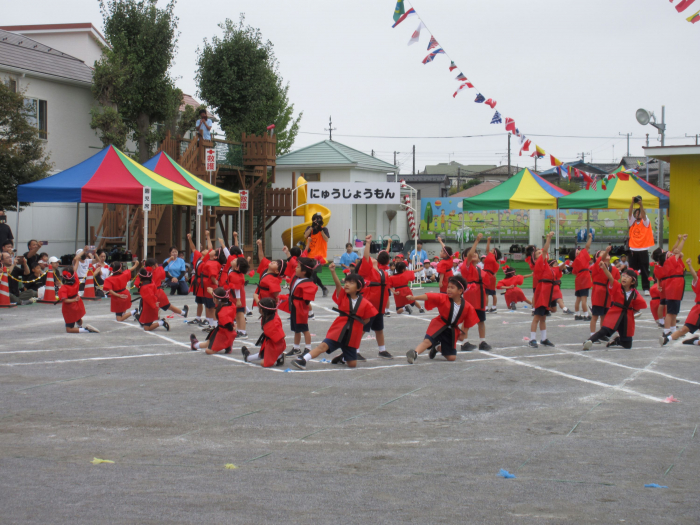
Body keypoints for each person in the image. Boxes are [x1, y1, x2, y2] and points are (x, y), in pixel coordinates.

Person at [292, 265, 377, 369]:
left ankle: (342, 358)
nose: (347, 285)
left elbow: (367, 319)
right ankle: (303, 360)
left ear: (359, 288)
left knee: (352, 365)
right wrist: (333, 272)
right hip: (339, 330)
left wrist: (356, 327)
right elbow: (337, 284)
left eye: (351, 283)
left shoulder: (365, 303)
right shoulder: (342, 296)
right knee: (322, 346)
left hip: (352, 335)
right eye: (346, 282)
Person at [405, 275, 479, 363]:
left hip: (451, 330)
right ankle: (414, 354)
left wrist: (463, 333)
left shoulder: (467, 306)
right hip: (439, 324)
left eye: (452, 288)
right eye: (448, 287)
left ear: (460, 291)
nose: (449, 289)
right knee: (427, 341)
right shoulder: (444, 298)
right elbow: (430, 296)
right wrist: (414, 298)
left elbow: (468, 320)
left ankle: (436, 348)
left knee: (451, 358)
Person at [583, 266, 647, 350]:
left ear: (633, 282)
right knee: (605, 330)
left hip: (627, 318)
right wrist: (605, 269)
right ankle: (589, 341)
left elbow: (638, 306)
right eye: (623, 276)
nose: (624, 278)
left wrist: (631, 313)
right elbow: (610, 278)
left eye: (628, 277)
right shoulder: (617, 286)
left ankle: (617, 341)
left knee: (628, 345)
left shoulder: (635, 293)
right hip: (615, 313)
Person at [356, 235, 395, 359]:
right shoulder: (367, 271)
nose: (371, 258)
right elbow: (366, 257)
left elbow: (386, 254)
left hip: (379, 307)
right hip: (369, 305)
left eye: (374, 257)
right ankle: (354, 350)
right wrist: (368, 243)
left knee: (379, 329)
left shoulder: (383, 272)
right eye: (370, 258)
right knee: (362, 329)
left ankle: (382, 350)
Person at [278, 257, 318, 357]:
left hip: (300, 308)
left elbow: (307, 299)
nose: (296, 268)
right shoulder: (296, 278)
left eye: (298, 267)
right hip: (294, 306)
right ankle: (296, 348)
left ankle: (308, 348)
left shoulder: (308, 283)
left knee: (304, 328)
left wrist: (302, 307)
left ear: (304, 272)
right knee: (296, 328)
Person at [459, 234, 491, 351]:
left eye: (476, 255)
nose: (474, 255)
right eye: (473, 254)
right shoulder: (466, 267)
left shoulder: (480, 269)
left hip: (480, 297)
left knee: (481, 320)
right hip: (471, 296)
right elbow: (470, 255)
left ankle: (482, 341)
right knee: (467, 320)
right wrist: (476, 241)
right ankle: (464, 342)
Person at [661, 256, 700, 346]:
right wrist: (689, 265)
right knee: (685, 329)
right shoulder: (698, 279)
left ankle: (694, 341)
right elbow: (695, 277)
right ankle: (667, 339)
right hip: (698, 310)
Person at [529, 232, 556, 348]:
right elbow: (545, 251)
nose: (541, 253)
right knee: (537, 317)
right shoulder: (540, 263)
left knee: (543, 317)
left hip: (547, 292)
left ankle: (544, 339)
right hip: (543, 291)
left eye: (541, 252)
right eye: (538, 253)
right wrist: (548, 239)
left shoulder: (547, 265)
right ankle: (532, 339)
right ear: (535, 259)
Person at [57, 257, 99, 334]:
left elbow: (65, 300)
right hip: (78, 303)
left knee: (69, 329)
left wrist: (73, 300)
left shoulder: (63, 288)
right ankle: (80, 326)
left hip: (70, 307)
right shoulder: (76, 282)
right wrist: (77, 260)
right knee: (78, 319)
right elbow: (75, 269)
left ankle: (86, 330)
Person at [241, 297, 286, 367]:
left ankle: (279, 356)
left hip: (275, 345)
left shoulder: (273, 323)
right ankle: (248, 357)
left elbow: (281, 337)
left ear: (262, 310)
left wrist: (274, 351)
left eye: (259, 308)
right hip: (269, 342)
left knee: (263, 363)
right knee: (262, 355)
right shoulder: (268, 316)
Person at [190, 287, 236, 354]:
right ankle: (195, 345)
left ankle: (227, 345)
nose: (212, 298)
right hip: (222, 331)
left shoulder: (223, 311)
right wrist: (212, 292)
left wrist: (233, 328)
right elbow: (218, 300)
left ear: (218, 300)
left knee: (208, 351)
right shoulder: (229, 304)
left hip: (223, 332)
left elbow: (227, 324)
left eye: (214, 297)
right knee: (208, 343)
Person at [660, 234, 688, 342]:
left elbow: (677, 251)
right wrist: (683, 240)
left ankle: (673, 330)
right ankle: (667, 331)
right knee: (670, 311)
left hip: (677, 286)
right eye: (671, 253)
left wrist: (678, 240)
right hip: (674, 286)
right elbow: (677, 250)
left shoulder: (676, 261)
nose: (673, 252)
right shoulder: (670, 261)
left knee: (674, 311)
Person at [627, 196, 654, 295]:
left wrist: (641, 205)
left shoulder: (646, 222)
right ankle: (632, 287)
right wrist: (631, 203)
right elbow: (630, 213)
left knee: (644, 269)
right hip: (633, 249)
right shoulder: (632, 222)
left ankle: (646, 288)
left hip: (643, 249)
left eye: (639, 213)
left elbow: (644, 214)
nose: (638, 214)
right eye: (636, 213)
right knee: (632, 270)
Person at [134, 267, 170, 332]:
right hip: (148, 305)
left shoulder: (145, 287)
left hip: (150, 307)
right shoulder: (151, 282)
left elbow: (149, 297)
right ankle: (142, 320)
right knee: (144, 321)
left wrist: (154, 304)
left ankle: (161, 322)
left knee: (146, 328)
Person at [304, 212, 330, 296]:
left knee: (313, 273)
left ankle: (311, 290)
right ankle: (323, 288)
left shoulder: (324, 229)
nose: (317, 221)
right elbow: (305, 236)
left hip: (319, 256)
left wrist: (320, 229)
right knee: (311, 274)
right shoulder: (309, 228)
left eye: (318, 219)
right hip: (309, 255)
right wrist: (311, 227)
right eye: (315, 219)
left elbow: (326, 239)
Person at [252, 239, 284, 305]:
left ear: (277, 271)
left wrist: (256, 298)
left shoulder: (274, 279)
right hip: (262, 298)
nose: (273, 262)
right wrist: (260, 246)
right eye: (275, 261)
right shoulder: (267, 267)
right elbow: (261, 257)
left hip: (269, 303)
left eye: (276, 264)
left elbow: (276, 295)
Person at [225, 256, 249, 339]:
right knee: (238, 315)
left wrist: (238, 300)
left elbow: (237, 288)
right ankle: (240, 330)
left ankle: (242, 332)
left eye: (235, 260)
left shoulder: (235, 275)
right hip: (236, 296)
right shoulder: (236, 272)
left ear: (236, 267)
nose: (233, 259)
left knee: (240, 314)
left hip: (237, 297)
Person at [571, 233, 593, 320]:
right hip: (584, 277)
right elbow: (587, 246)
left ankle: (577, 314)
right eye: (578, 250)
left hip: (579, 279)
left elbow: (574, 272)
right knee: (584, 299)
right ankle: (586, 315)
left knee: (578, 298)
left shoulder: (575, 262)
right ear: (577, 254)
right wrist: (590, 238)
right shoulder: (581, 256)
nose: (580, 250)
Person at [482, 237, 501, 313]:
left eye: (492, 250)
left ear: (494, 252)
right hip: (492, 276)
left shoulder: (490, 256)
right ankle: (494, 307)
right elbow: (495, 273)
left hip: (487, 274)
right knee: (493, 293)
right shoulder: (496, 262)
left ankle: (486, 308)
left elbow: (487, 249)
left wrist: (488, 241)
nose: (490, 250)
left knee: (486, 293)